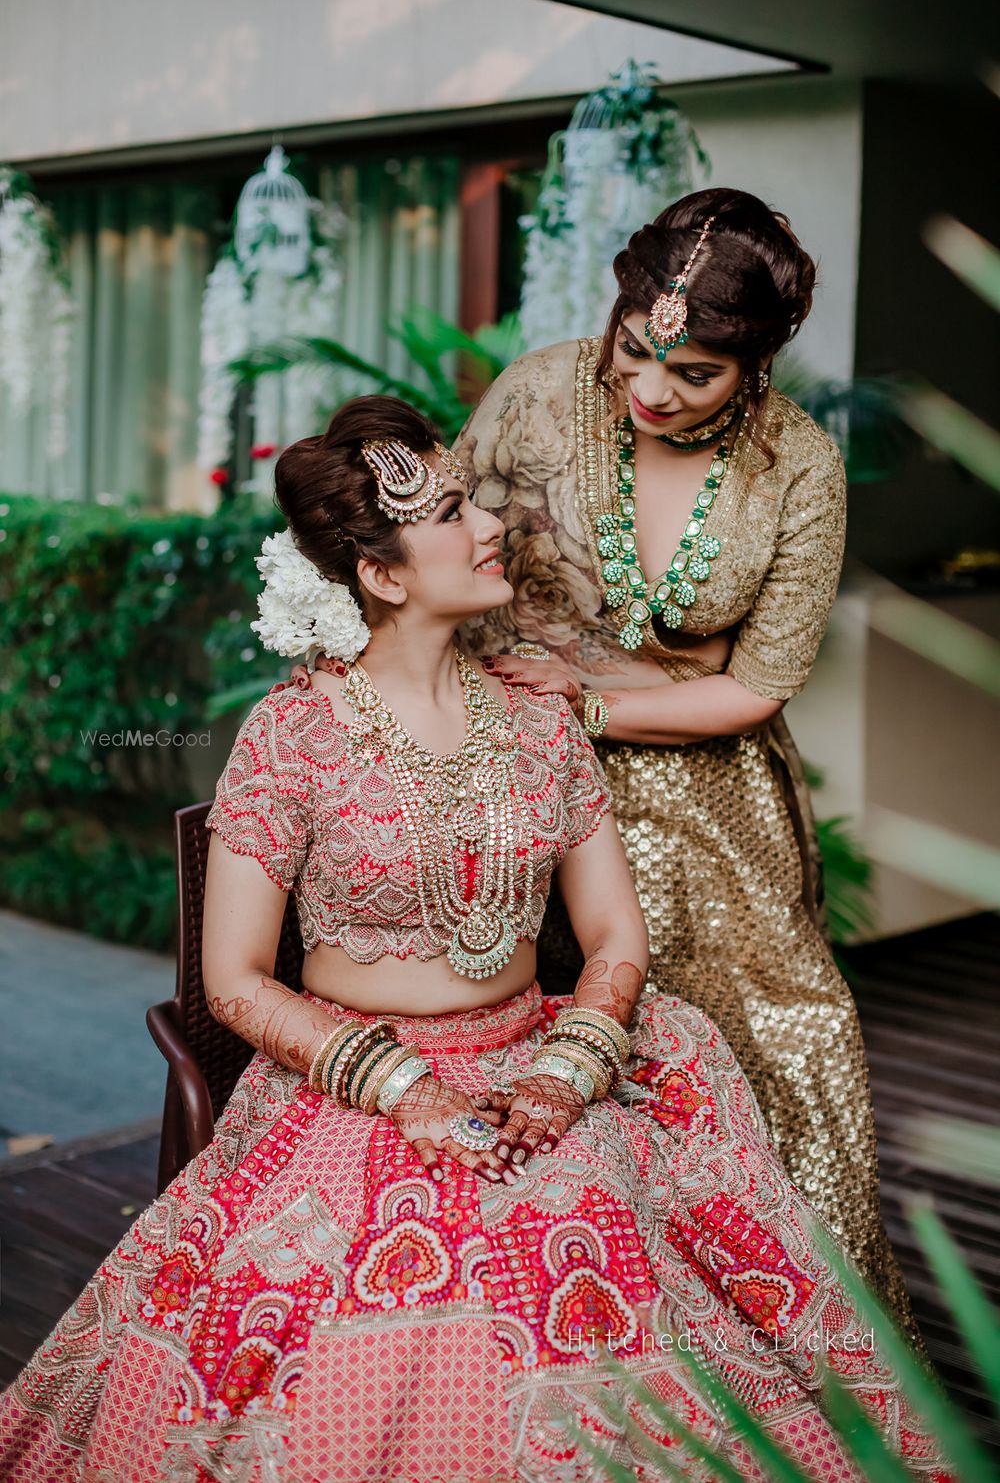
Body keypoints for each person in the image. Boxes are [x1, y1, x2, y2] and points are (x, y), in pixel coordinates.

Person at [0, 398, 948, 1482]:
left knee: (583, 1214)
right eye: (450, 510)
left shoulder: (540, 718)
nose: (488, 522)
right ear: (383, 575)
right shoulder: (296, 733)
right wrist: (410, 1092)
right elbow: (233, 981)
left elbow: (611, 938)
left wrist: (564, 1072)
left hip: (535, 1062)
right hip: (354, 1089)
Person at [449, 186, 915, 1336]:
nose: (651, 389)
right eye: (636, 351)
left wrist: (597, 697)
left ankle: (800, 1353)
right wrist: (630, 679)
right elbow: (443, 556)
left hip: (707, 804)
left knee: (787, 1042)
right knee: (535, 1045)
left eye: (693, 373)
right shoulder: (540, 395)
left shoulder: (797, 467)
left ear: (755, 365)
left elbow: (753, 688)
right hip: (510, 767)